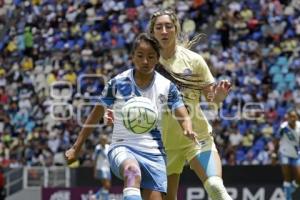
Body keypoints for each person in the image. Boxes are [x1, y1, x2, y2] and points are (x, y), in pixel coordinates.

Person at [65, 33, 198, 200]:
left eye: (150, 57)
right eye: (140, 56)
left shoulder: (167, 87)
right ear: (132, 56)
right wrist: (76, 147)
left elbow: (183, 115)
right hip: (123, 147)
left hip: (154, 153)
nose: (145, 61)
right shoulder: (118, 83)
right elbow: (95, 115)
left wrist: (187, 128)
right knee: (132, 172)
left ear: (157, 59)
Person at [148, 9, 232, 200]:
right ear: (153, 32)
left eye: (168, 26)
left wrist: (218, 96)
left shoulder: (194, 61)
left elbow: (211, 99)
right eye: (159, 27)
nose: (164, 31)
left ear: (176, 29)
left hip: (196, 137)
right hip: (162, 144)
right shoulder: (146, 63)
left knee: (215, 188)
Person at [274, 110, 300, 200]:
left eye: (294, 116)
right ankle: (288, 198)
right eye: (290, 117)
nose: (292, 118)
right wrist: (274, 153)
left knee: (299, 179)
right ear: (287, 118)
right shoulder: (283, 127)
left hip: (296, 154)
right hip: (284, 153)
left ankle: (290, 190)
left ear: (297, 117)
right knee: (287, 177)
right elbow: (277, 139)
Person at [93, 134, 111, 200]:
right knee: (106, 185)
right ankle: (96, 196)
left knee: (107, 186)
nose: (104, 141)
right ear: (100, 141)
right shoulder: (98, 148)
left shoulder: (108, 147)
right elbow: (94, 160)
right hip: (100, 168)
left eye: (105, 140)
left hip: (107, 168)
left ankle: (100, 197)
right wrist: (94, 171)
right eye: (103, 140)